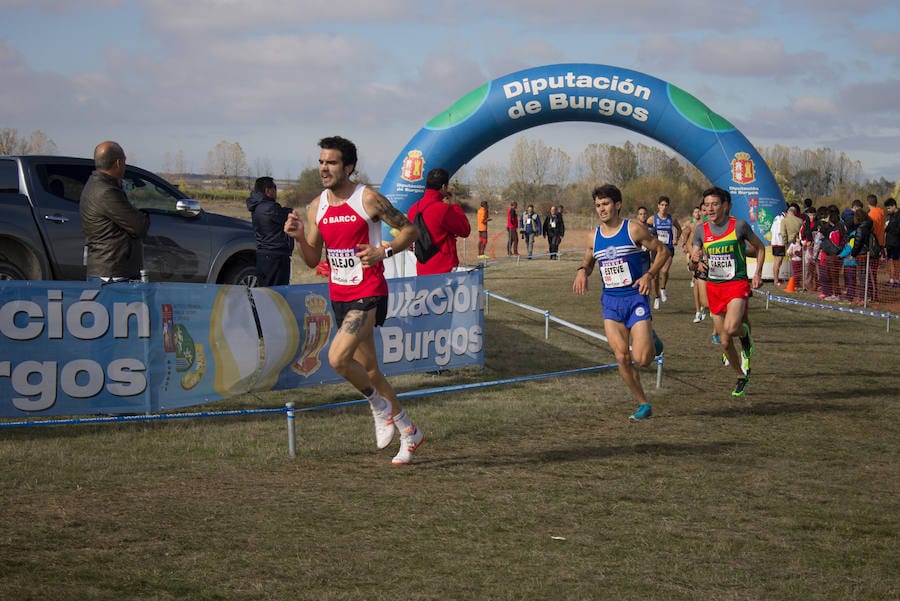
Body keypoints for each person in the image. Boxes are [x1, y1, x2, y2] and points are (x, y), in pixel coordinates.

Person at [283, 136, 424, 465]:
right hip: (339, 295)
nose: (324, 168)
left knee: (336, 358)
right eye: (321, 162)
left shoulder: (369, 199)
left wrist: (383, 251)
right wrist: (300, 237)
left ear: (348, 167)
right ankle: (408, 429)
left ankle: (378, 407)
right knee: (371, 370)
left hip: (369, 291)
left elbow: (410, 231)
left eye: (331, 162)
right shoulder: (317, 206)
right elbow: (311, 258)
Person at [573, 184, 669, 422]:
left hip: (635, 298)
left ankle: (653, 341)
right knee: (620, 357)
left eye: (605, 204)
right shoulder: (593, 237)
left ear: (617, 205)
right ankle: (643, 404)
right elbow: (588, 262)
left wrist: (649, 275)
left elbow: (663, 251)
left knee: (643, 359)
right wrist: (582, 271)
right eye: (597, 205)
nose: (601, 209)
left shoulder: (634, 230)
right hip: (611, 304)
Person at [690, 186, 765, 397]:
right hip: (714, 287)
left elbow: (759, 248)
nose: (710, 209)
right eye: (707, 205)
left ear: (725, 206)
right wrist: (696, 261)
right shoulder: (700, 230)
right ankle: (741, 376)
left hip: (736, 284)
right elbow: (694, 257)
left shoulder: (738, 226)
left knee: (732, 328)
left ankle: (745, 336)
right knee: (723, 341)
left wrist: (757, 273)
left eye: (715, 204)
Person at [80, 141, 150, 282]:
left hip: (105, 269)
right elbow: (139, 226)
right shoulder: (107, 192)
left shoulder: (94, 185)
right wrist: (143, 214)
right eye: (124, 161)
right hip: (112, 272)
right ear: (118, 163)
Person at [407, 168, 471, 274]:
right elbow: (465, 230)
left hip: (422, 267)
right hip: (444, 269)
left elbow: (410, 242)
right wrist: (455, 206)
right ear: (444, 187)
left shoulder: (413, 209)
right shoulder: (443, 209)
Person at [247, 176, 294, 286]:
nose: (276, 191)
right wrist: (291, 211)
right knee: (278, 293)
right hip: (275, 256)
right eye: (274, 187)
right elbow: (286, 215)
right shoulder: (270, 208)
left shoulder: (256, 206)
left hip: (263, 254)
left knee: (266, 291)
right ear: (268, 190)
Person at [646, 195, 682, 308]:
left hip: (668, 248)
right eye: (662, 205)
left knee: (665, 270)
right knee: (655, 276)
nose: (664, 207)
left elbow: (679, 229)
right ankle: (656, 297)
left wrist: (676, 239)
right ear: (658, 206)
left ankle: (663, 289)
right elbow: (645, 231)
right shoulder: (652, 219)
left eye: (666, 205)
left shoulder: (672, 219)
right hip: (656, 249)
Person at [884, 198, 899, 287]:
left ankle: (897, 280)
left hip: (896, 243)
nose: (888, 210)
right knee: (890, 262)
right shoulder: (891, 216)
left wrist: (888, 228)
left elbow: (898, 230)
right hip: (889, 243)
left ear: (894, 206)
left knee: (897, 263)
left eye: (889, 208)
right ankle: (892, 280)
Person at [769, 208, 786, 286]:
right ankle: (776, 280)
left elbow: (772, 230)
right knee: (778, 261)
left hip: (774, 242)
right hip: (779, 242)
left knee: (777, 261)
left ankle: (776, 279)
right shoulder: (782, 219)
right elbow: (781, 232)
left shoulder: (777, 217)